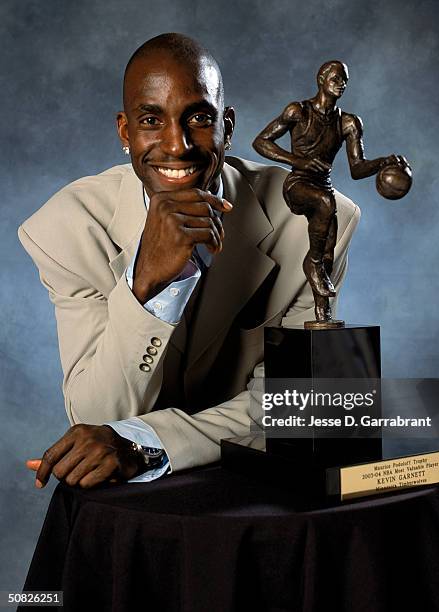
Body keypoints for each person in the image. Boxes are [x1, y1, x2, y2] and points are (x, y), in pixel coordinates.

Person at [19, 34, 361, 490]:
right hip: (135, 504)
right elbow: (99, 416)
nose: (177, 145)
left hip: (258, 487)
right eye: (150, 120)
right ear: (125, 132)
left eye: (199, 118)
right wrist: (144, 282)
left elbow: (294, 407)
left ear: (229, 127)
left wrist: (146, 441)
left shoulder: (308, 222)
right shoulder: (66, 228)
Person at [253, 60, 408, 322]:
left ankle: (321, 312)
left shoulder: (348, 123)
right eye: (336, 78)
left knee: (328, 250)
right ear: (321, 79)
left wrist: (385, 162)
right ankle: (311, 264)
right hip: (298, 185)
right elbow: (261, 141)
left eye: (345, 80)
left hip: (322, 187)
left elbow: (357, 169)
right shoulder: (298, 111)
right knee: (326, 205)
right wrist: (296, 160)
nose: (341, 84)